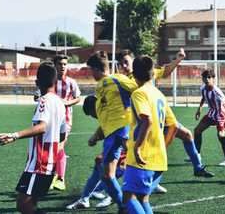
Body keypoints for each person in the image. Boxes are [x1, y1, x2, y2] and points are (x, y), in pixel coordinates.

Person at [117, 49, 214, 178]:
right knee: (128, 159)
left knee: (186, 135)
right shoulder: (124, 81)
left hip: (158, 119)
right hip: (142, 124)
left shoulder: (145, 73)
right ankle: (104, 190)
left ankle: (198, 167)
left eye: (126, 62)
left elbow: (165, 71)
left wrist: (178, 59)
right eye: (120, 63)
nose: (124, 66)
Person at [0, 62, 67, 214]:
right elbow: (62, 133)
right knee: (30, 203)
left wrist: (14, 135)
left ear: (37, 82)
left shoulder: (44, 100)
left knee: (24, 205)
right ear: (55, 81)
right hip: (49, 162)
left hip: (39, 163)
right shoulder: (60, 103)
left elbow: (42, 127)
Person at [123, 55, 177, 214]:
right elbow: (172, 125)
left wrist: (138, 147)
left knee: (128, 198)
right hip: (158, 157)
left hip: (142, 158)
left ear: (134, 74)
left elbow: (146, 120)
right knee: (142, 199)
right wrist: (163, 146)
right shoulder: (159, 94)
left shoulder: (139, 94)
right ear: (153, 73)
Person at [86, 51, 138, 213]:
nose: (90, 74)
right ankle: (123, 205)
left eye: (90, 70)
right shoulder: (100, 86)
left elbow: (139, 90)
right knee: (108, 175)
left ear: (95, 69)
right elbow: (104, 116)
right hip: (110, 135)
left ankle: (140, 196)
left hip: (123, 128)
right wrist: (95, 136)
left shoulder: (118, 79)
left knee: (137, 163)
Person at [50, 54, 81, 191]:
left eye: (64, 64)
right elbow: (39, 96)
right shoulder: (49, 82)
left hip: (66, 120)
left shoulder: (71, 82)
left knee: (59, 147)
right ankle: (51, 178)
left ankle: (61, 179)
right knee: (51, 148)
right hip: (50, 121)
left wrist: (67, 103)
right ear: (55, 66)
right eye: (60, 64)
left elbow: (78, 98)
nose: (62, 67)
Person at [194, 69, 225, 166]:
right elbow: (204, 97)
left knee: (221, 135)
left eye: (209, 77)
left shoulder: (217, 92)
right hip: (212, 113)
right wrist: (199, 109)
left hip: (221, 114)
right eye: (205, 77)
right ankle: (197, 155)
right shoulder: (203, 88)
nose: (207, 79)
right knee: (197, 131)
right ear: (202, 79)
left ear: (213, 79)